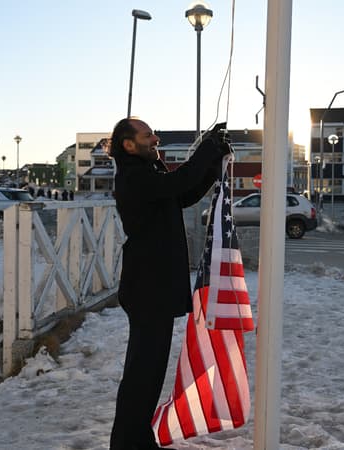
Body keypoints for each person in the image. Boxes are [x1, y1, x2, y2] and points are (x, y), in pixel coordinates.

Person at [109, 118, 231, 450]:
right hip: (147, 291)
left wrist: (212, 163)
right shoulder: (133, 177)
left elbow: (184, 192)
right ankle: (126, 444)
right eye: (147, 135)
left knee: (148, 377)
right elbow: (178, 184)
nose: (155, 138)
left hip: (153, 290)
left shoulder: (148, 174)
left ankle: (137, 439)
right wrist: (207, 147)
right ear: (129, 145)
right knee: (141, 376)